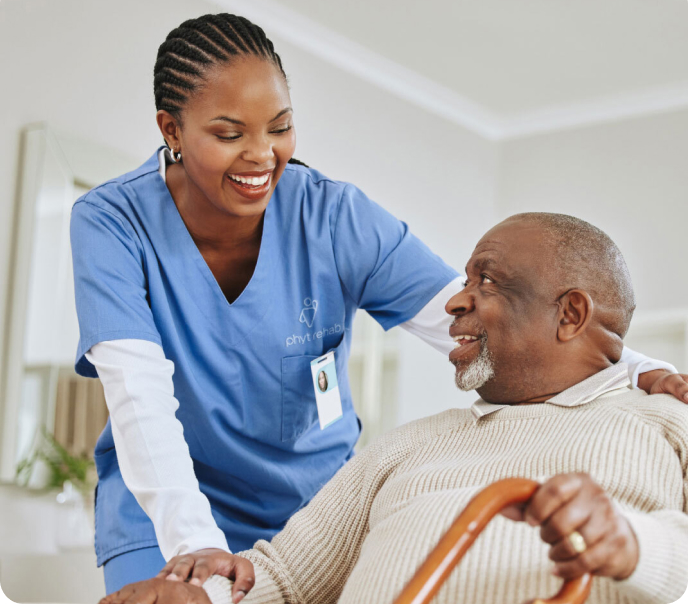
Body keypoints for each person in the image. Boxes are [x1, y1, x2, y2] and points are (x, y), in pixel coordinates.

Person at [70, 13, 686, 598]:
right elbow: (139, 397)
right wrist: (196, 544)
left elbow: (483, 324)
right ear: (171, 129)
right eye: (230, 134)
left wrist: (629, 367)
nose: (262, 156)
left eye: (280, 127)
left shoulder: (333, 218)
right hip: (167, 507)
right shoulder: (112, 223)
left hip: (312, 512)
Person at [101, 213, 688, 604]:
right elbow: (281, 582)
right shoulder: (408, 444)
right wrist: (201, 597)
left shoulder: (664, 419)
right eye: (465, 279)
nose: (456, 300)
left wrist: (632, 541)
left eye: (486, 281)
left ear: (570, 315)